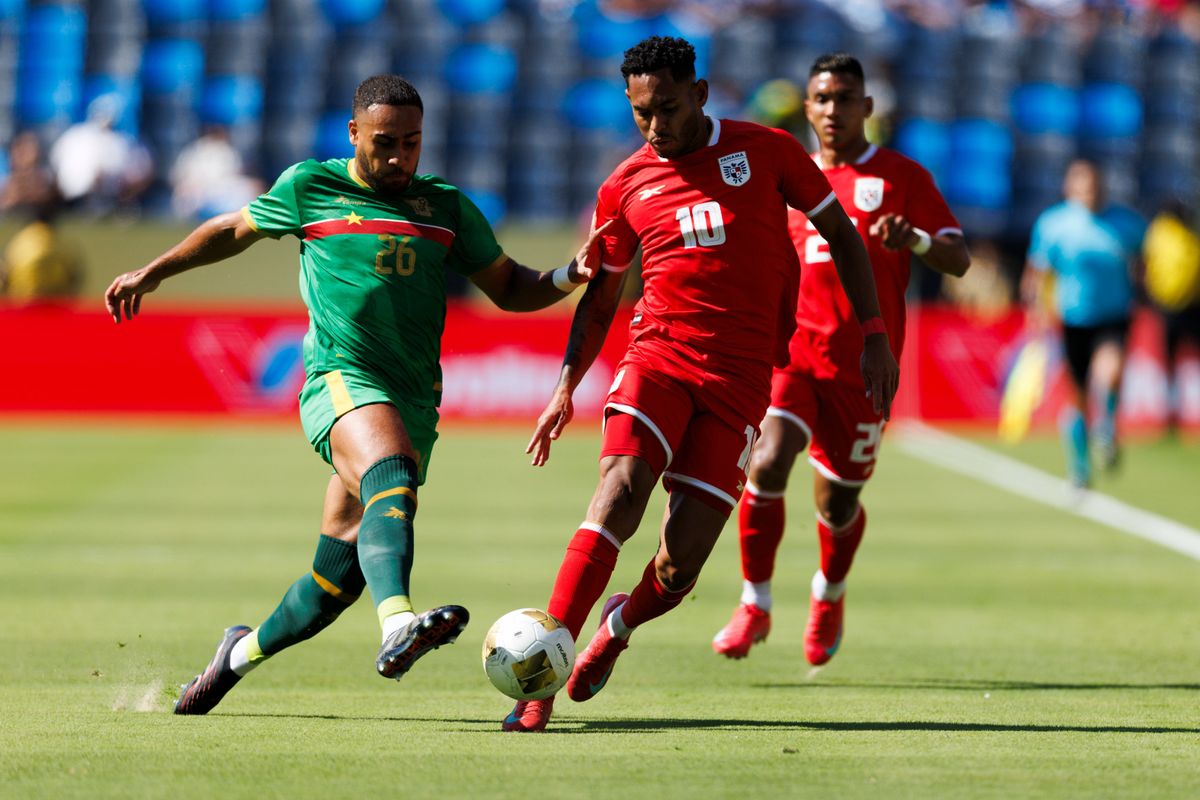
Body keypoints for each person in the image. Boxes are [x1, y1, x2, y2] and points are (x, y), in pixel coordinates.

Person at [104, 75, 607, 715]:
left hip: (414, 399)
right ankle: (397, 621)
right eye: (385, 143)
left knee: (332, 585)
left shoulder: (445, 207)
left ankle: (233, 657)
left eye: (412, 144)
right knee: (390, 477)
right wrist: (153, 271)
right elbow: (234, 229)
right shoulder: (312, 185)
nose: (400, 158)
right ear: (353, 134)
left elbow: (509, 286)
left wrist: (569, 275)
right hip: (340, 378)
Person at [502, 37, 899, 733]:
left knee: (680, 565)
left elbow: (840, 233)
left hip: (742, 382)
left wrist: (873, 333)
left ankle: (619, 624)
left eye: (668, 108)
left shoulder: (769, 150)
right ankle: (542, 673)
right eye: (640, 113)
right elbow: (601, 299)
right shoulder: (624, 185)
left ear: (701, 93)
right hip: (657, 356)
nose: (656, 126)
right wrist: (567, 385)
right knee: (620, 491)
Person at [711, 54, 969, 666]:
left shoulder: (902, 176)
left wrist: (917, 241)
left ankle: (829, 593)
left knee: (838, 504)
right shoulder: (783, 180)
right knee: (768, 461)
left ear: (867, 108)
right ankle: (755, 602)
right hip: (792, 357)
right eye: (823, 98)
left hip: (864, 370)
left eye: (846, 98)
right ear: (806, 108)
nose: (834, 110)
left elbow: (958, 259)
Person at [1021, 159, 1145, 488]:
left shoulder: (1125, 223)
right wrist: (1034, 310)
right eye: (1081, 186)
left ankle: (1107, 426)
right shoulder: (1054, 225)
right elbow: (1036, 273)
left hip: (1114, 316)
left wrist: (1141, 291)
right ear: (1070, 188)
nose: (1088, 193)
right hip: (1073, 318)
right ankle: (1080, 467)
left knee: (1112, 371)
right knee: (1077, 396)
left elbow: (1142, 260)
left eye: (1093, 186)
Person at [1142, 198, 1200, 435]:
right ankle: (1169, 414)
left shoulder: (1187, 233)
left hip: (1192, 306)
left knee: (1175, 362)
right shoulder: (1161, 233)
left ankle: (1174, 414)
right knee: (1169, 363)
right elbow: (1148, 268)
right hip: (1170, 307)